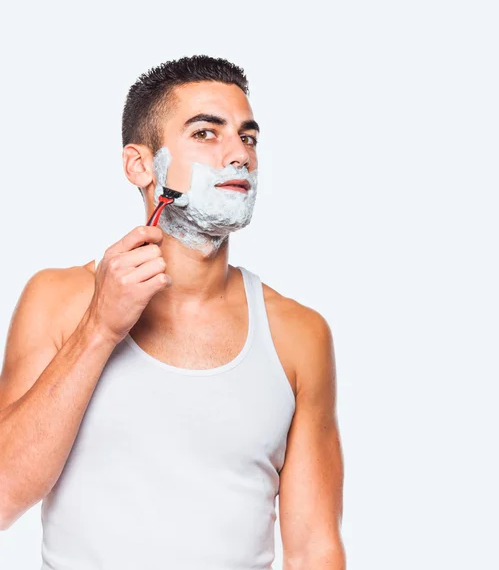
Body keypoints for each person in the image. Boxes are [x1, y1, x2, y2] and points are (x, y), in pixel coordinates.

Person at [0, 55, 346, 569]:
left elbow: (316, 547)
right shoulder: (59, 300)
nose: (238, 155)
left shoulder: (298, 334)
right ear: (140, 165)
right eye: (206, 133)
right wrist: (99, 328)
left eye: (248, 138)